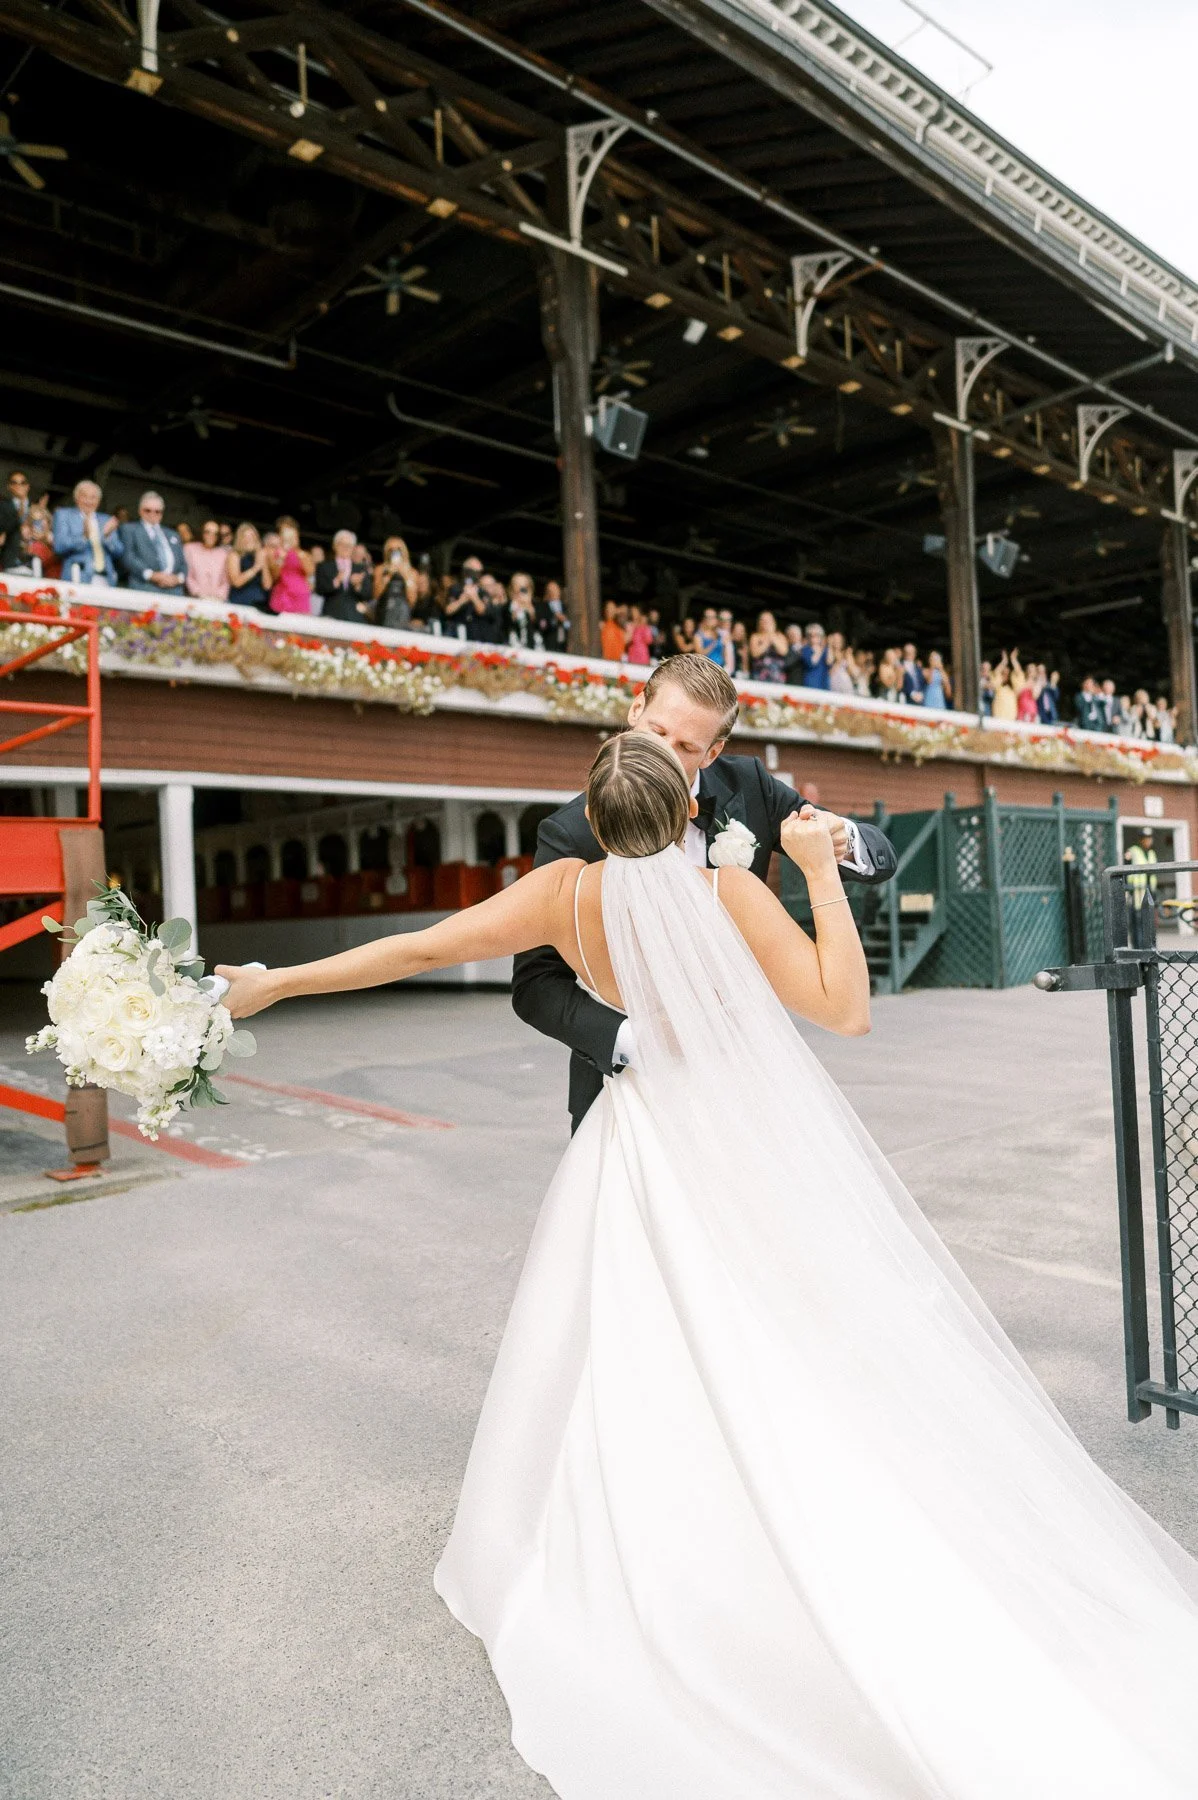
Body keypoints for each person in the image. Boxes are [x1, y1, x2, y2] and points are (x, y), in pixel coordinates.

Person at [217, 728, 1198, 1800]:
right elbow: (844, 1009)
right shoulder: (729, 895)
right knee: (778, 1325)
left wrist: (272, 984)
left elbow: (410, 951)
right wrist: (818, 875)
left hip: (637, 1141)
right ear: (688, 816)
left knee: (628, 1335)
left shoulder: (562, 896)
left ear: (592, 823)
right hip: (739, 1135)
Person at [511, 653, 896, 1133]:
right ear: (635, 711)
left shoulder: (749, 783)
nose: (667, 754)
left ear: (712, 753)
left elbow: (878, 858)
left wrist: (843, 837)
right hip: (626, 1090)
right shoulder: (571, 829)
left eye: (687, 745)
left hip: (745, 1073)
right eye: (657, 732)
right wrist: (642, 1043)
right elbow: (534, 986)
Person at [117, 491, 188, 595]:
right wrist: (152, 575)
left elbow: (183, 564)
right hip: (144, 588)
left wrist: (178, 579)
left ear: (162, 513)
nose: (152, 514)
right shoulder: (129, 529)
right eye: (148, 510)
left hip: (174, 590)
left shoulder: (173, 534)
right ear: (140, 511)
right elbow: (128, 557)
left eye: (157, 511)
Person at [52, 479, 121, 585]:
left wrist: (107, 537)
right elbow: (59, 547)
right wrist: (84, 536)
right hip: (77, 576)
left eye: (93, 497)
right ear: (76, 498)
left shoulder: (106, 520)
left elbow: (119, 552)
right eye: (84, 496)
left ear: (98, 500)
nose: (89, 501)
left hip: (105, 578)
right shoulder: (64, 515)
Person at [315, 528, 373, 623]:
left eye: (349, 545)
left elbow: (368, 594)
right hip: (331, 616)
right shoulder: (324, 566)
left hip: (355, 618)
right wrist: (336, 581)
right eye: (342, 544)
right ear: (334, 546)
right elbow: (319, 589)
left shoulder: (361, 569)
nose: (346, 548)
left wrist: (357, 586)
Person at [266, 517, 314, 615]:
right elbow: (275, 577)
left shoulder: (303, 554)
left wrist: (297, 551)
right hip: (282, 596)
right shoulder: (274, 553)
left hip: (300, 597)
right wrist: (281, 558)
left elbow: (310, 571)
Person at [225, 522, 272, 611]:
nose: (249, 539)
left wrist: (263, 563)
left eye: (252, 536)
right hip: (240, 603)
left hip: (259, 605)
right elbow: (236, 582)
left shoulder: (259, 555)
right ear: (240, 539)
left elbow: (267, 586)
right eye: (245, 536)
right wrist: (256, 568)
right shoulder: (235, 555)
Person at [1125, 826, 1159, 949]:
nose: (1148, 841)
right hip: (1137, 895)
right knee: (1138, 926)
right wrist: (1128, 891)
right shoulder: (1132, 851)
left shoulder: (1151, 853)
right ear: (1140, 839)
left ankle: (1150, 951)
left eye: (1150, 838)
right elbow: (1126, 871)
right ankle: (1139, 953)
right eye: (1145, 838)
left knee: (1150, 926)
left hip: (1150, 893)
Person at [184, 518, 230, 600]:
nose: (211, 536)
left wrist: (219, 597)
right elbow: (187, 575)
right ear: (202, 532)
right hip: (194, 598)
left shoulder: (223, 553)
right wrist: (198, 593)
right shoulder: (189, 548)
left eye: (215, 533)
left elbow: (226, 580)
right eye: (207, 532)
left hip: (217, 600)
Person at [748, 610, 788, 683]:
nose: (765, 622)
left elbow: (783, 651)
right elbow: (755, 654)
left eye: (768, 620)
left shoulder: (780, 636)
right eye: (763, 620)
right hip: (760, 674)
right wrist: (767, 641)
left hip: (777, 675)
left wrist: (771, 635)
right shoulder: (755, 636)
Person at [796, 621, 832, 690]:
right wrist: (821, 648)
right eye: (810, 635)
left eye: (816, 635)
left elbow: (829, 662)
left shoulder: (826, 649)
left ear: (821, 636)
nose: (813, 637)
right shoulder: (805, 649)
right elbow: (812, 663)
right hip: (810, 684)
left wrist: (829, 645)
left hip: (823, 684)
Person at [538, 580, 570, 653]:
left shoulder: (566, 607)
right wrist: (554, 619)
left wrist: (564, 620)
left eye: (555, 589)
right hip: (549, 644)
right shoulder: (543, 607)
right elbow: (542, 626)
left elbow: (571, 626)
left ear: (559, 590)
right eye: (550, 590)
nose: (553, 592)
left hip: (564, 645)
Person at [899, 640, 926, 705]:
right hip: (906, 700)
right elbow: (899, 685)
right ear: (903, 653)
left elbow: (922, 682)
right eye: (907, 652)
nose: (909, 654)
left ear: (915, 653)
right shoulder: (899, 666)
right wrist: (912, 694)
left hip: (920, 701)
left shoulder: (918, 667)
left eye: (911, 652)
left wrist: (921, 693)